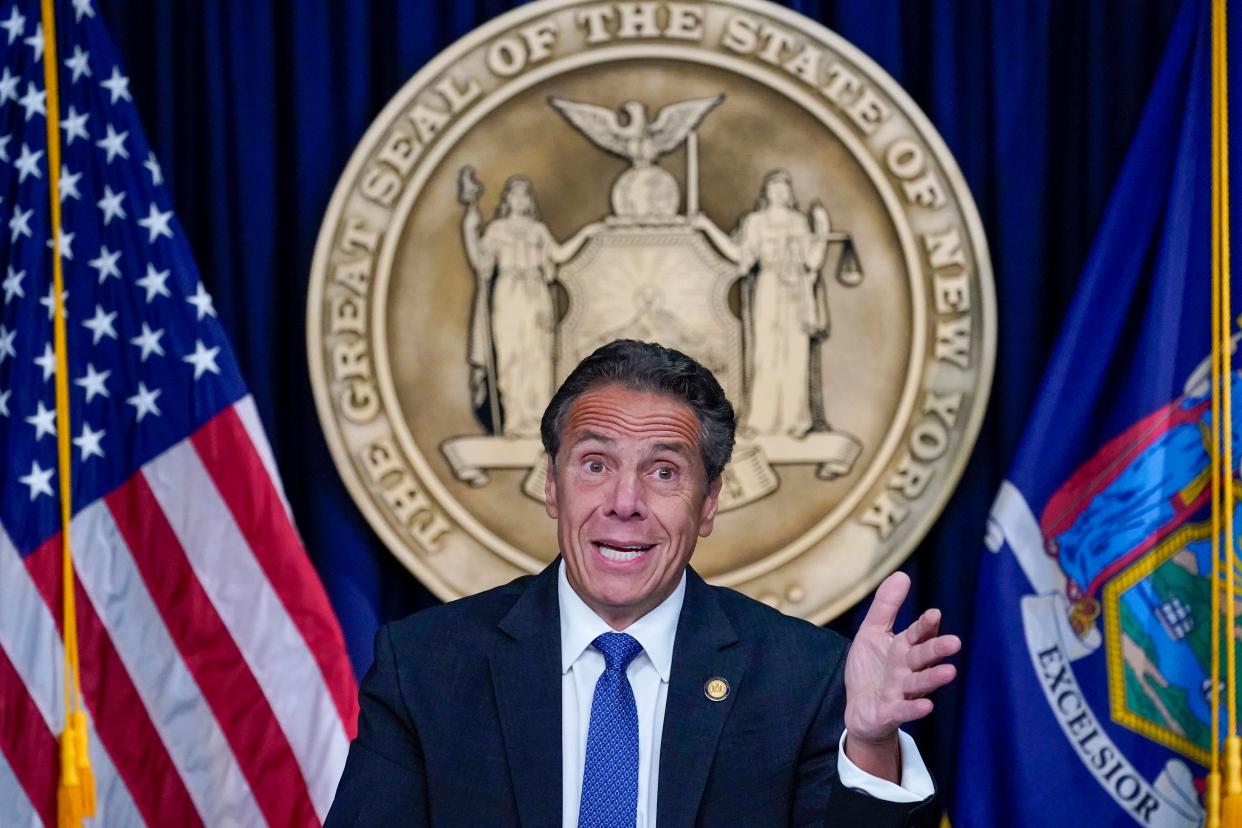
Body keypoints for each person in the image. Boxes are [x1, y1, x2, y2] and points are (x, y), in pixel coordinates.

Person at [327, 340, 956, 827]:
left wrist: (871, 743)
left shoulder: (804, 676)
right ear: (552, 484)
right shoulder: (426, 665)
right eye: (595, 465)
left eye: (662, 472)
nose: (624, 503)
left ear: (708, 503)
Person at [694, 170, 833, 438]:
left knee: (795, 354)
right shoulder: (755, 222)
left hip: (795, 294)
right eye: (775, 187)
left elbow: (813, 261)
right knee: (766, 354)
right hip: (768, 289)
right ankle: (762, 421)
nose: (780, 192)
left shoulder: (798, 222)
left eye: (784, 187)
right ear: (766, 192)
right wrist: (707, 227)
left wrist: (822, 231)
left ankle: (796, 421)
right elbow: (741, 257)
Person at [461, 175, 600, 436]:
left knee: (537, 357)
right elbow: (481, 264)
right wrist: (470, 225)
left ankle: (537, 421)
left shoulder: (537, 230)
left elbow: (558, 256)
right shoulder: (497, 230)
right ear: (508, 200)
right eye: (516, 195)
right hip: (509, 296)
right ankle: (514, 420)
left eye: (525, 195)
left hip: (536, 296)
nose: (521, 200)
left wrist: (585, 233)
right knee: (511, 356)